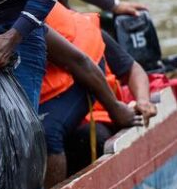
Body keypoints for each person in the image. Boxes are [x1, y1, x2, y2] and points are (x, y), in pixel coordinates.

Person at [65, 32, 158, 176]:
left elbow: (133, 69)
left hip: (100, 118)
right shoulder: (28, 35)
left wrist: (143, 100)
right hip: (52, 124)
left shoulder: (88, 28)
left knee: (90, 138)